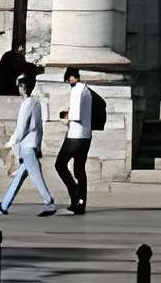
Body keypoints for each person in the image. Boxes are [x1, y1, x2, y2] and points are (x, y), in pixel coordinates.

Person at [0, 72, 55, 217]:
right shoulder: (36, 103)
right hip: (32, 146)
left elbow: (20, 129)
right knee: (18, 179)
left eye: (19, 86)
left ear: (23, 87)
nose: (18, 89)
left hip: (27, 147)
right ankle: (4, 204)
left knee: (37, 178)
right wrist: (39, 146)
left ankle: (49, 203)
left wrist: (9, 143)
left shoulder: (26, 104)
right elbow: (39, 129)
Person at [54, 67, 92, 214]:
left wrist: (63, 115)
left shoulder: (76, 90)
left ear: (71, 78)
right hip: (86, 135)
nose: (69, 83)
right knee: (79, 169)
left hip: (75, 136)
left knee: (60, 165)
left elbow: (75, 115)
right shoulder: (87, 90)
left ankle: (74, 194)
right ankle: (81, 202)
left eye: (68, 80)